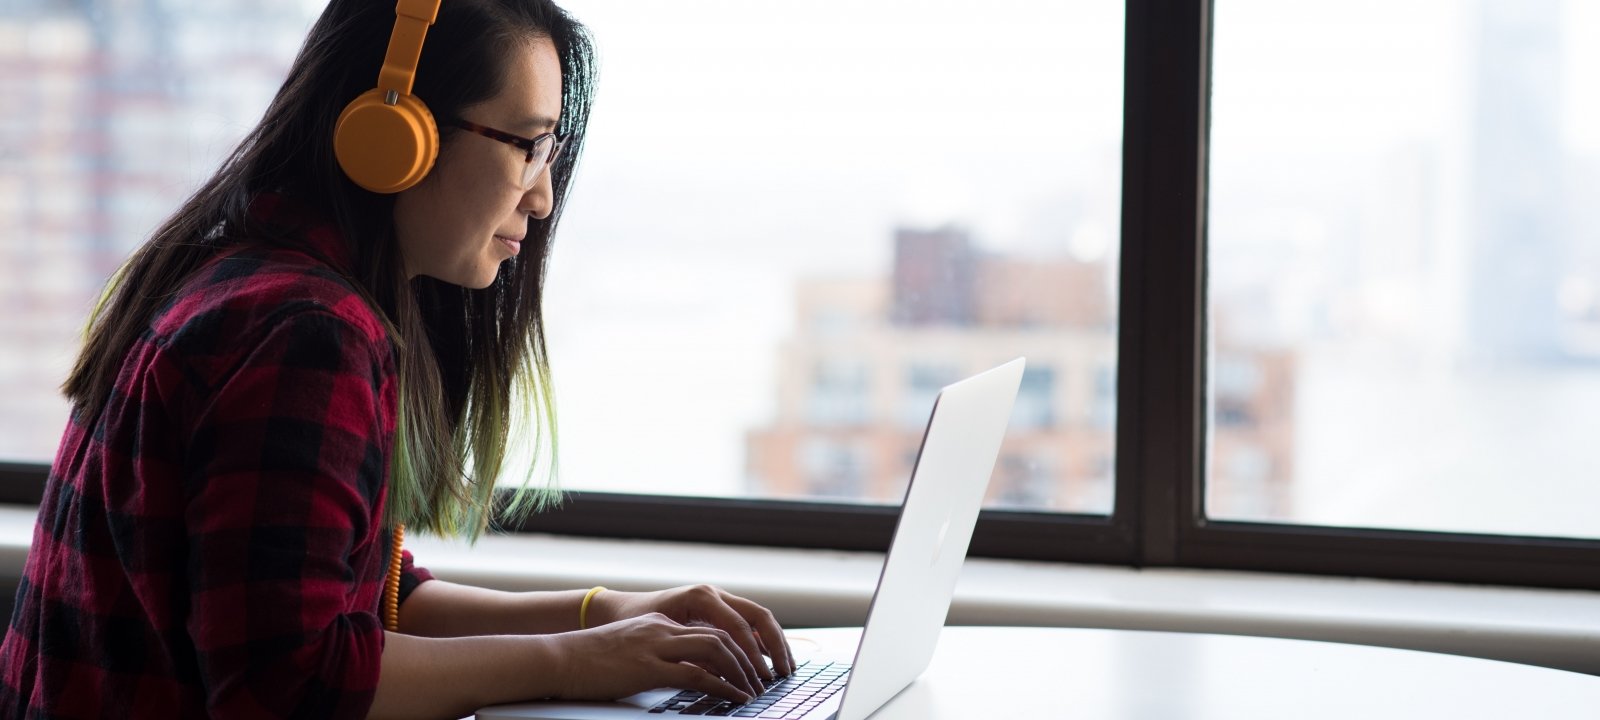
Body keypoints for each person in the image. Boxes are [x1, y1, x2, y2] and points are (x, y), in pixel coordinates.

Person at [0, 1, 793, 718]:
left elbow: (366, 598)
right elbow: (292, 681)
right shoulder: (304, 331)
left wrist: (605, 613)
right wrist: (577, 662)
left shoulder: (248, 278)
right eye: (527, 146)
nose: (543, 196)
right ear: (396, 133)